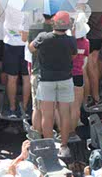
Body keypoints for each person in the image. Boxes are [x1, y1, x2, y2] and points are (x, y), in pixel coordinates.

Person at [28, 11, 77, 158]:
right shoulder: (70, 40)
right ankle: (64, 146)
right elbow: (74, 55)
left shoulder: (43, 37)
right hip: (65, 79)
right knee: (65, 114)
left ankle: (49, 147)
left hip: (46, 80)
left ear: (54, 23)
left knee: (47, 115)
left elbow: (31, 48)